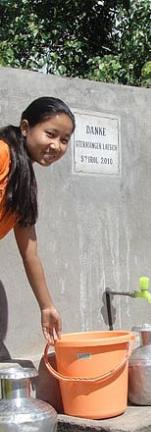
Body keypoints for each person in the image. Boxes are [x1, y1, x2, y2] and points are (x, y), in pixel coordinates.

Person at [0, 97, 75, 344]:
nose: (56, 145)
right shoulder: (2, 154)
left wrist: (46, 306)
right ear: (25, 128)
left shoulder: (23, 180)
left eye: (64, 140)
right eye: (50, 134)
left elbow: (30, 253)